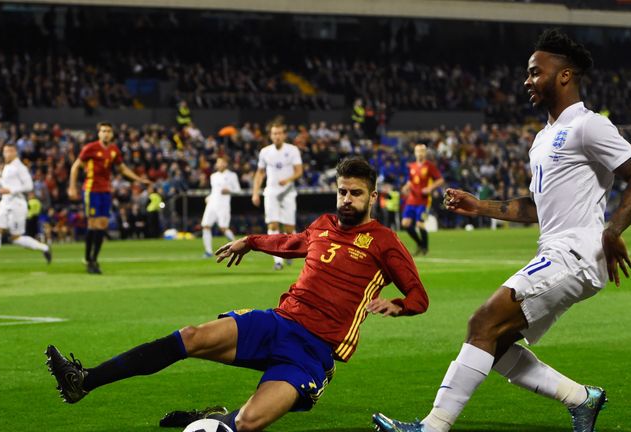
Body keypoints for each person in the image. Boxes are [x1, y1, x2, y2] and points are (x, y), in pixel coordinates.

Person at [372, 28, 631, 432]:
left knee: (481, 323)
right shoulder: (542, 140)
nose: (527, 80)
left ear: (565, 75)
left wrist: (612, 231)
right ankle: (582, 398)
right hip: (553, 252)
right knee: (495, 343)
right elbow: (536, 206)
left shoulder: (589, 126)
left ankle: (432, 427)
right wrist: (479, 206)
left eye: (536, 72)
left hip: (576, 254)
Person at [46, 157, 429, 432]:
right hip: (278, 323)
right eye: (342, 191)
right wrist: (251, 241)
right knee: (191, 336)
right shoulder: (324, 225)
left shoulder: (385, 243)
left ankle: (209, 421)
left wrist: (397, 305)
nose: (346, 199)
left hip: (312, 352)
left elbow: (418, 296)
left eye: (355, 193)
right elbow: (292, 241)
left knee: (247, 423)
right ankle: (84, 380)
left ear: (373, 196)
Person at [68, 122, 150, 274]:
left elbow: (122, 168)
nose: (106, 134)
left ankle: (93, 258)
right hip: (91, 190)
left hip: (105, 190)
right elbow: (75, 166)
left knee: (102, 224)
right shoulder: (90, 148)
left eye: (109, 131)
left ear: (112, 134)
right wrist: (72, 187)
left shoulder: (113, 150)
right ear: (99, 133)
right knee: (93, 224)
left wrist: (138, 179)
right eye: (103, 131)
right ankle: (89, 259)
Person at [0, 143, 52, 271]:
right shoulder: (8, 166)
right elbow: (6, 185)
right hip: (5, 203)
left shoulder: (20, 167)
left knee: (16, 239)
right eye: (5, 151)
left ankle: (44, 248)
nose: (7, 154)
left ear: (15, 152)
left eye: (10, 151)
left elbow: (29, 186)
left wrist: (10, 190)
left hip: (17, 205)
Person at [251, 122, 303, 270]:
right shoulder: (265, 152)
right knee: (272, 224)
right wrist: (255, 192)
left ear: (284, 135)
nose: (277, 136)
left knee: (289, 228)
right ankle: (278, 261)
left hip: (288, 192)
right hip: (271, 192)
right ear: (270, 135)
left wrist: (288, 179)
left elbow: (299, 171)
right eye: (274, 133)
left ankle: (289, 252)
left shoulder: (292, 150)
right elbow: (260, 173)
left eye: (279, 133)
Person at [401, 143, 444, 256]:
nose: (420, 153)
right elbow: (410, 181)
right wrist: (406, 187)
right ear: (415, 153)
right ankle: (420, 244)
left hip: (424, 201)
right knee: (405, 224)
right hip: (412, 200)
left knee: (420, 224)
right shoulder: (412, 166)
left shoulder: (429, 166)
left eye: (422, 151)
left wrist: (430, 188)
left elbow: (440, 180)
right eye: (418, 151)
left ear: (425, 153)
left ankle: (425, 248)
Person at [201, 157, 241, 257]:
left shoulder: (232, 175)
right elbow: (215, 190)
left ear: (226, 164)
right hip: (212, 204)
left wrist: (229, 190)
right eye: (217, 162)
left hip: (223, 205)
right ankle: (208, 251)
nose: (218, 164)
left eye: (221, 162)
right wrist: (209, 197)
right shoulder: (213, 176)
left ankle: (238, 247)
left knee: (223, 228)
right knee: (206, 226)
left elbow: (238, 190)